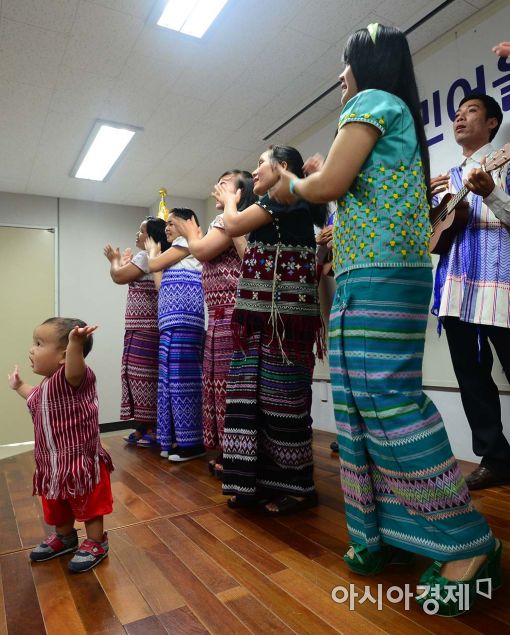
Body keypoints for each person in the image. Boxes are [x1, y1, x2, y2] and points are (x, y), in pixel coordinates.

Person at [271, 24, 500, 617]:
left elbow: (326, 185)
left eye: (344, 64)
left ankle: (467, 542)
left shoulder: (371, 102)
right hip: (360, 275)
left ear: (364, 65)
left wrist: (285, 183)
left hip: (380, 275)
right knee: (355, 406)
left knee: (389, 403)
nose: (338, 77)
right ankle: (387, 534)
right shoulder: (387, 112)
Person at [213, 145, 326, 515]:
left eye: (261, 163)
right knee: (253, 407)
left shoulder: (284, 200)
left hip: (279, 324)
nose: (255, 170)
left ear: (282, 169)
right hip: (261, 322)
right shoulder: (283, 203)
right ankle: (253, 484)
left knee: (284, 407)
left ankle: (297, 488)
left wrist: (231, 199)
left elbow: (232, 225)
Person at [431, 93, 510, 490]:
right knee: (472, 380)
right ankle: (495, 458)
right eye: (457, 114)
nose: (460, 118)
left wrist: (491, 193)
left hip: (500, 288)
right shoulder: (446, 179)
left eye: (471, 112)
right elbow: (431, 237)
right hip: (455, 290)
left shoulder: (504, 161)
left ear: (493, 123)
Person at [8, 318, 113, 573]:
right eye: (34, 342)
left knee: (88, 503)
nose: (32, 349)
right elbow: (33, 395)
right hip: (52, 463)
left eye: (39, 344)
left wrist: (76, 344)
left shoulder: (74, 380)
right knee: (57, 503)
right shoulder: (45, 386)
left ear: (64, 356)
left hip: (80, 462)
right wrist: (19, 385)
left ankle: (96, 542)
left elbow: (75, 368)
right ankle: (65, 537)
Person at [171, 171, 255, 477]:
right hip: (219, 315)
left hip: (231, 315)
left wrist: (189, 231)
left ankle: (236, 454)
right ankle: (229, 452)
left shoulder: (231, 220)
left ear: (242, 191)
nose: (217, 185)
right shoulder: (229, 221)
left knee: (229, 388)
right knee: (217, 387)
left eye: (227, 181)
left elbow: (203, 250)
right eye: (217, 180)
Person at [104, 217, 170, 447]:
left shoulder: (145, 257)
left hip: (143, 330)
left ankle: (151, 428)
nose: (137, 234)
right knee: (142, 378)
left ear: (151, 236)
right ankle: (144, 427)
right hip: (148, 329)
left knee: (142, 378)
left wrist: (114, 261)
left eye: (140, 231)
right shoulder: (158, 257)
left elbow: (118, 277)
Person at [146, 208, 205, 462]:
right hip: (171, 323)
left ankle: (192, 443)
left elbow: (153, 263)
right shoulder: (176, 252)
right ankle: (174, 439)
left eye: (172, 223)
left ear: (187, 224)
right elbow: (159, 282)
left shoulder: (187, 243)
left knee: (184, 383)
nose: (167, 228)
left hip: (185, 321)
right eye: (166, 224)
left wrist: (152, 251)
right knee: (170, 384)